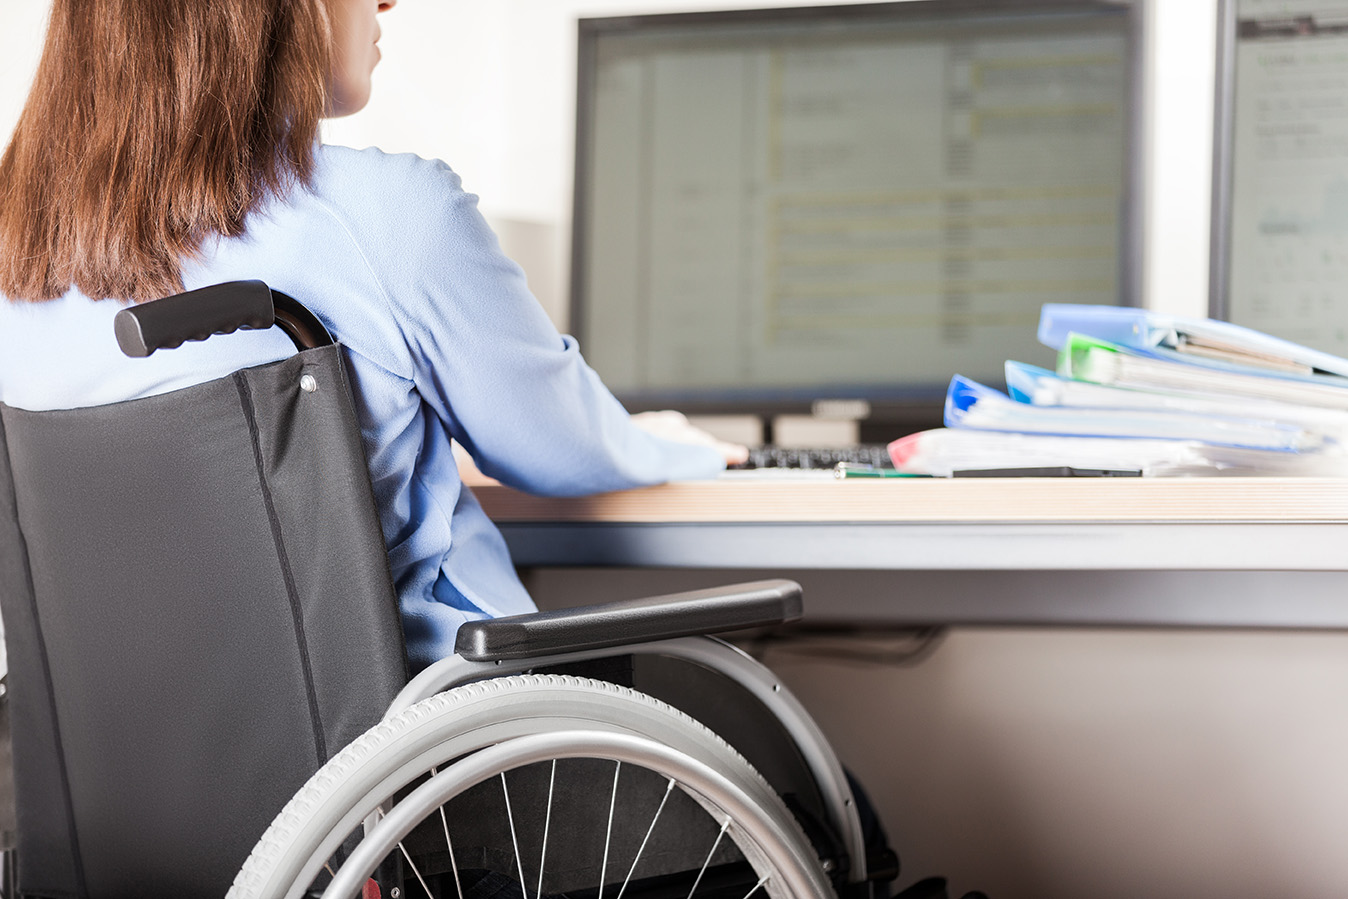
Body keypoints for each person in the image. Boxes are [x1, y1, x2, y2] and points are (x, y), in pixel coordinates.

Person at [0, 0, 746, 670]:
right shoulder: (384, 215)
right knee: (808, 775)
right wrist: (682, 446)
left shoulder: (19, 260)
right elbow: (560, 450)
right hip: (438, 783)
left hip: (151, 809)